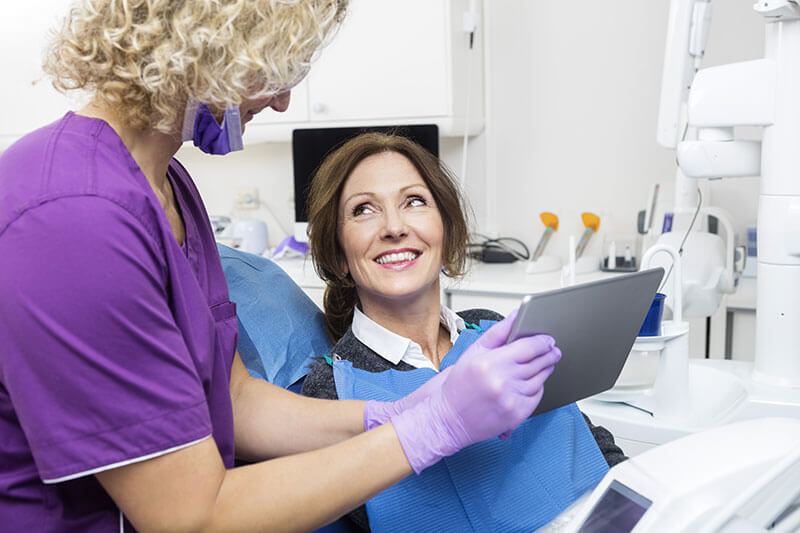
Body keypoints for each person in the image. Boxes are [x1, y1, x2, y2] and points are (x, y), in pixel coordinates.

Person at [0, 1, 565, 531]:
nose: (282, 100)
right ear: (212, 44)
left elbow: (236, 400)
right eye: (277, 66)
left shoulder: (169, 187)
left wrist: (401, 408)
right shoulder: (72, 218)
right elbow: (190, 517)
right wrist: (430, 429)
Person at [301, 132, 626, 532]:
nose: (394, 226)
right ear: (338, 254)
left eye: (414, 201)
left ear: (447, 231)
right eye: (364, 209)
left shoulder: (496, 327)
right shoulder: (329, 391)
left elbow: (588, 441)